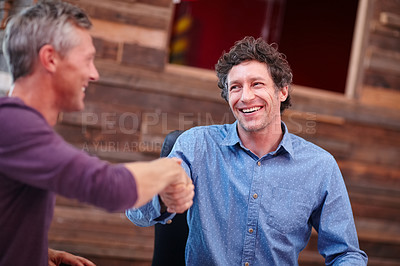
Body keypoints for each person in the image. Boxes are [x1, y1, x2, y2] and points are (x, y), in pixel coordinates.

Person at [126, 36, 368, 265]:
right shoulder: (197, 145)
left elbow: (345, 253)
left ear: (282, 91)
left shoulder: (319, 166)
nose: (246, 97)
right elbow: (137, 213)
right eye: (235, 87)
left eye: (257, 84)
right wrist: (161, 196)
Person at [0, 1, 194, 265]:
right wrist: (169, 170)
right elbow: (109, 187)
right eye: (88, 60)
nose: (94, 74)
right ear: (50, 58)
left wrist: (42, 253)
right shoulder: (14, 124)